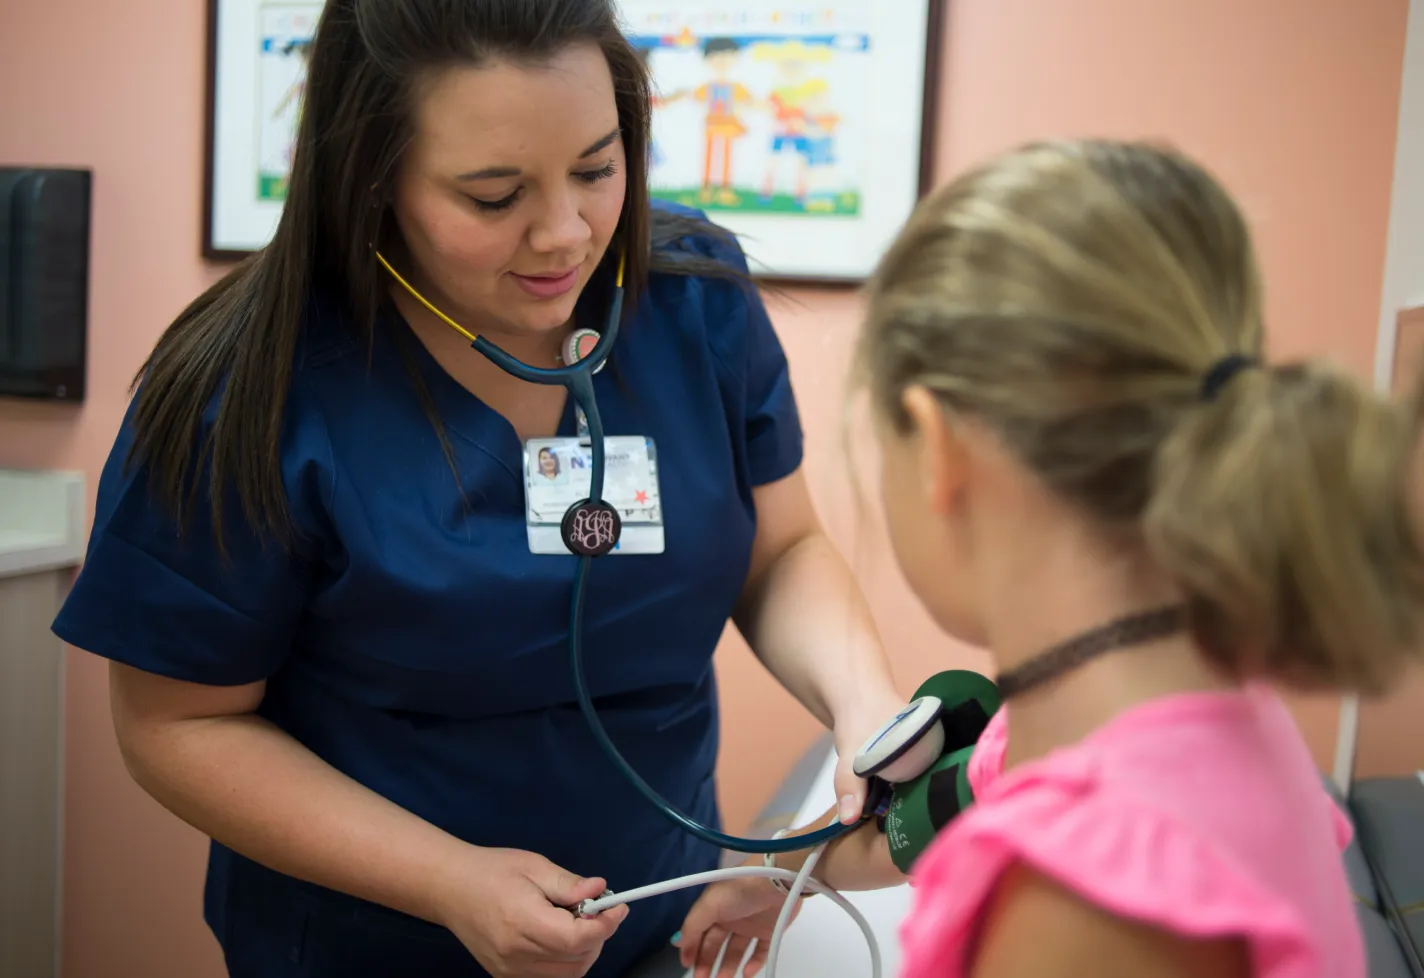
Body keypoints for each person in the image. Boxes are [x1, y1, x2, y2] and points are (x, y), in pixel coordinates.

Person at [49, 2, 905, 976]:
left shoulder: (691, 300)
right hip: (366, 946)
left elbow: (780, 550)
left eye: (595, 166)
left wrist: (862, 702)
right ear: (373, 180)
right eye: (494, 196)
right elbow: (178, 725)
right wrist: (447, 880)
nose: (565, 233)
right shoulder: (247, 392)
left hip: (657, 925)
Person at [673, 138, 1424, 978]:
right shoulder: (1168, 712)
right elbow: (948, 802)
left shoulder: (1089, 894)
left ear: (940, 450)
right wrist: (782, 870)